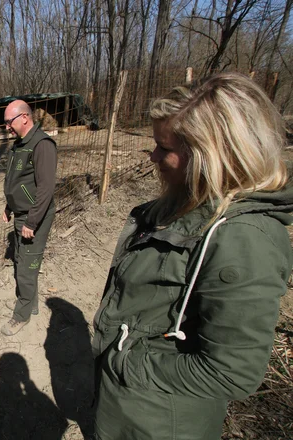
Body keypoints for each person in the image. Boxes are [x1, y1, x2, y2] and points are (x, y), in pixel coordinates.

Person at [92, 72, 293, 440]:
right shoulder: (183, 204)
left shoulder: (243, 240)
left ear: (211, 156)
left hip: (162, 422)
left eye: (163, 147)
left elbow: (231, 371)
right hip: (129, 407)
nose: (151, 155)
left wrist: (125, 362)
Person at [1, 100, 57, 336]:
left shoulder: (42, 145)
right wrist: (9, 206)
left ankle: (21, 315)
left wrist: (31, 222)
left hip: (34, 216)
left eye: (9, 122)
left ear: (24, 117)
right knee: (21, 260)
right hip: (21, 213)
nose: (6, 128)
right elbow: (18, 180)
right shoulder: (20, 145)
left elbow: (45, 189)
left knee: (25, 267)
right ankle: (30, 304)